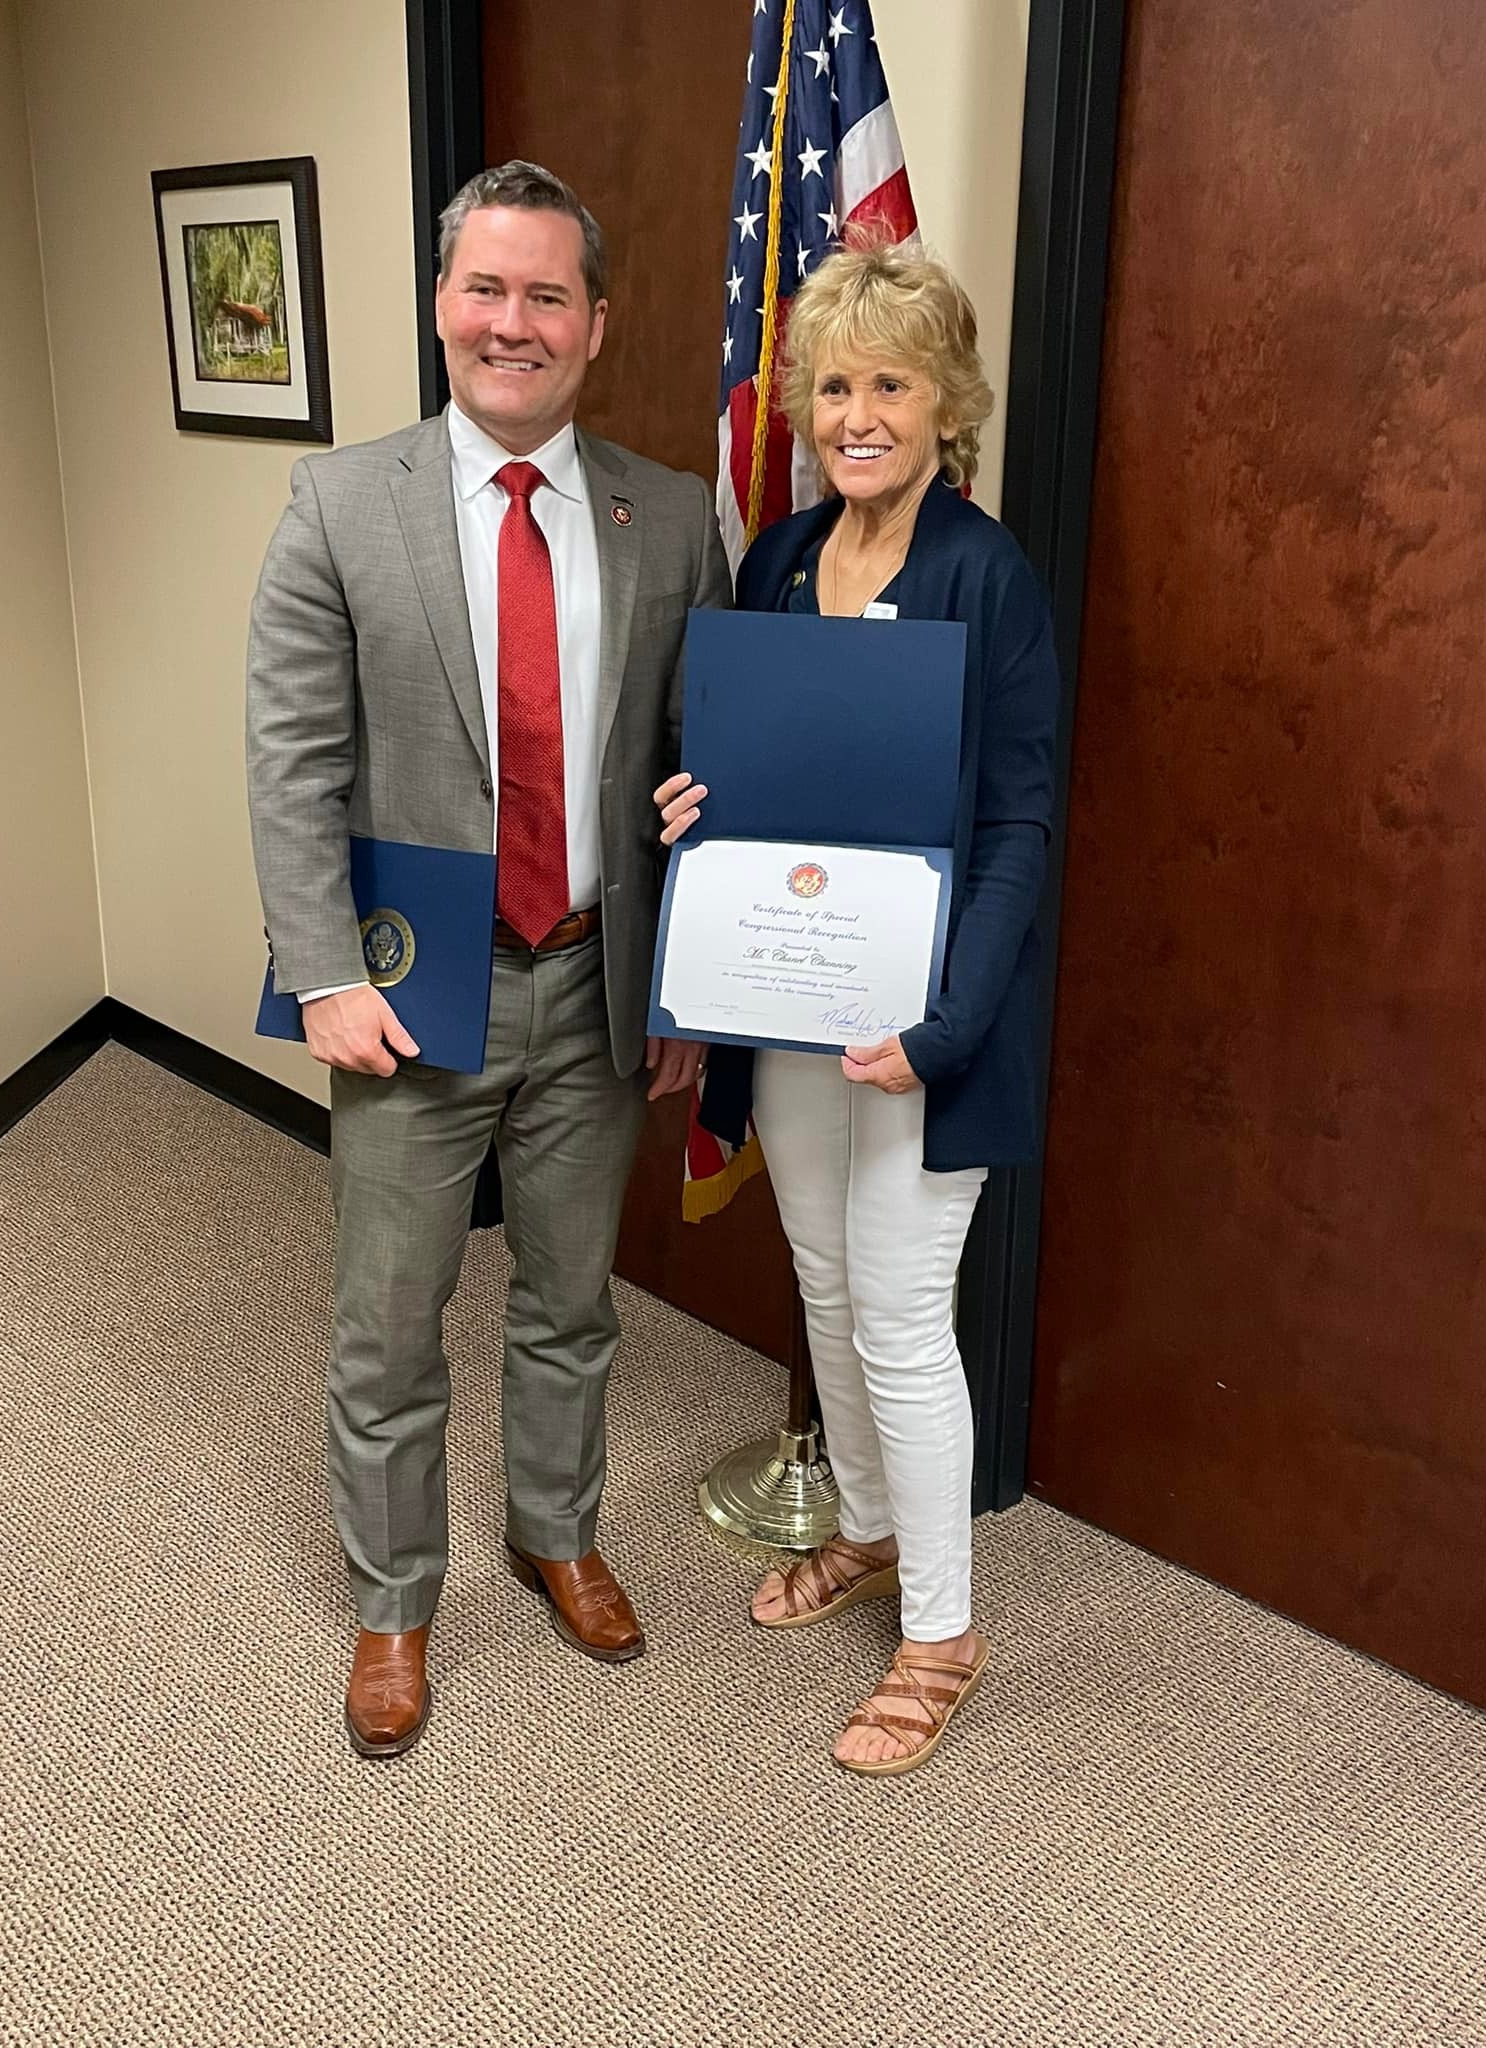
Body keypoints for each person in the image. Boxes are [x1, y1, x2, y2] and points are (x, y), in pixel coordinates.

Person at [248, 161, 729, 1759]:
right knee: (390, 1325)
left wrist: (683, 990)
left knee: (572, 1302)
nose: (511, 323)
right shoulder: (341, 503)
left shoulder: (673, 515)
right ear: (441, 304)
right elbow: (293, 763)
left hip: (596, 983)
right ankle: (395, 1604)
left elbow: (700, 762)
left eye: (546, 295)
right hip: (412, 989)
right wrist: (325, 970)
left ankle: (554, 1532)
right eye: (485, 289)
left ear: (595, 324)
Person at [655, 241, 1059, 1777]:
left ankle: (942, 1634)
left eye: (891, 383)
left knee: (898, 1314)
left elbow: (1019, 826)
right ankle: (875, 1532)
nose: (858, 415)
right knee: (825, 1288)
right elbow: (750, 777)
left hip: (925, 1027)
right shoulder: (775, 561)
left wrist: (944, 1029)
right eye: (833, 386)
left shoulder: (985, 576)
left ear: (947, 401)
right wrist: (693, 814)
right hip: (792, 1002)